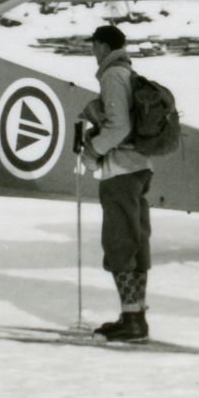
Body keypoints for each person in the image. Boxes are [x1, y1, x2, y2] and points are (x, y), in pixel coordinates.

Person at [79, 23, 153, 342]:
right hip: (139, 168)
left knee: (120, 243)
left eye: (94, 46)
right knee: (136, 243)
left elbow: (118, 128)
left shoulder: (111, 75)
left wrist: (91, 152)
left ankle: (133, 321)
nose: (92, 52)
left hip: (121, 171)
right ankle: (133, 315)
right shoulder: (127, 73)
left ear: (104, 47)